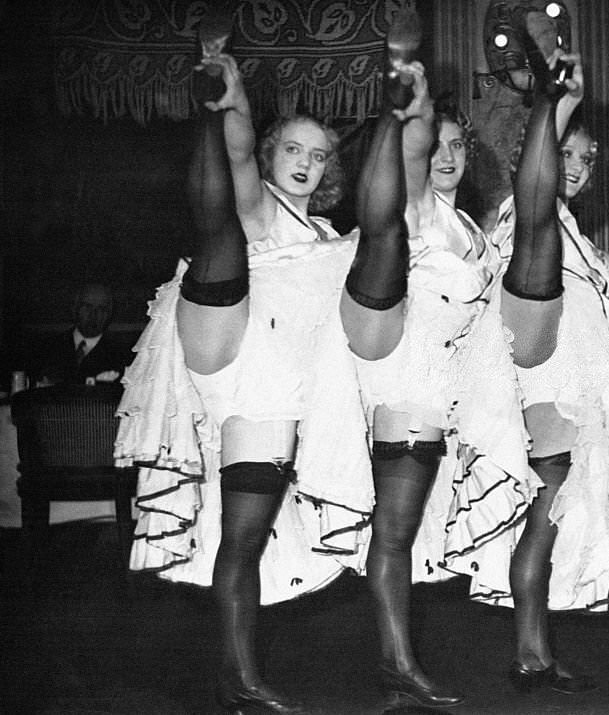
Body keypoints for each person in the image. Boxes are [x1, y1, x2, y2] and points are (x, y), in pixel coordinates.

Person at [115, 11, 421, 712]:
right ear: (275, 151)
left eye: (318, 154)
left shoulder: (324, 234)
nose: (306, 162)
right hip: (221, 337)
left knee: (243, 534)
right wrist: (230, 98)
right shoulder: (262, 206)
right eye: (294, 148)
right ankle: (209, 94)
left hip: (271, 389)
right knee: (221, 232)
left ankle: (237, 672)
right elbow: (242, 157)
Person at [453, 12, 609, 695]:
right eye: (567, 155)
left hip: (571, 372)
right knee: (542, 513)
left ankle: (535, 649)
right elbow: (534, 198)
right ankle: (528, 648)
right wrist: (560, 96)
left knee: (546, 515)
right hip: (535, 352)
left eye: (587, 160)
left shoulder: (582, 239)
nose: (578, 168)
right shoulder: (527, 213)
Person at [347, 33, 533, 707]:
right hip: (408, 382)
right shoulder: (418, 206)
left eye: (460, 146)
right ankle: (396, 666)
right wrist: (415, 103)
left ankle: (398, 667)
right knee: (394, 532)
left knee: (405, 532)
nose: (448, 157)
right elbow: (414, 151)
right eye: (440, 146)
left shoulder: (468, 226)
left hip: (447, 388)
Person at [32, 282, 132, 386]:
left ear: (110, 313)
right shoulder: (48, 348)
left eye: (101, 309)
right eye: (87, 307)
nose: (94, 314)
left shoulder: (121, 356)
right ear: (75, 308)